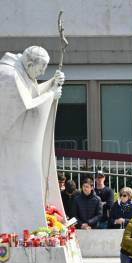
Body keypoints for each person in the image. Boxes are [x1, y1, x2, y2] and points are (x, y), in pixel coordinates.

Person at [0, 46, 65, 233]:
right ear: (29, 63)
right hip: (9, 148)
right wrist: (51, 95)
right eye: (41, 68)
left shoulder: (21, 70)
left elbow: (30, 94)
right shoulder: (8, 75)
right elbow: (26, 109)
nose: (42, 72)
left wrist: (52, 83)